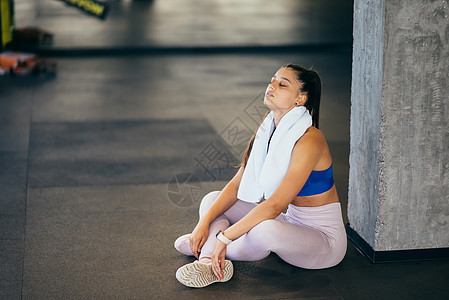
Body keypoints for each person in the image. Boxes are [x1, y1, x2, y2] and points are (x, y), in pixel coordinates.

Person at [174, 64, 347, 288]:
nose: (271, 85)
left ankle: (209, 250)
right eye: (273, 80)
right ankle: (208, 257)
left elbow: (275, 205)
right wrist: (203, 224)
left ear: (300, 99)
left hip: (323, 242)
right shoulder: (269, 130)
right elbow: (237, 185)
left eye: (282, 84)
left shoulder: (310, 139)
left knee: (265, 230)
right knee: (212, 199)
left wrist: (223, 237)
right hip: (291, 225)